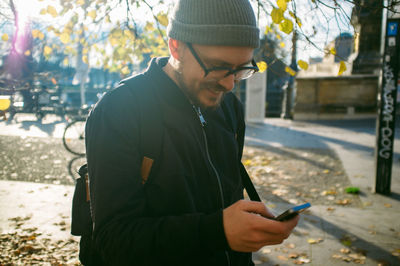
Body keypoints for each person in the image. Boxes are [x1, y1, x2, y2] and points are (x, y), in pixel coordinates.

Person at [85, 0, 299, 265]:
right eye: (218, 66)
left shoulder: (229, 106)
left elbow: (227, 199)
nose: (229, 84)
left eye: (241, 68)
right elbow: (113, 242)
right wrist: (217, 232)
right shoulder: (121, 110)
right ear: (176, 46)